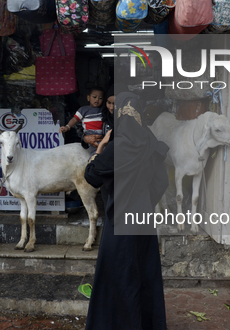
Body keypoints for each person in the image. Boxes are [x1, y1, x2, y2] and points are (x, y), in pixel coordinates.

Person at [84, 91, 169, 330]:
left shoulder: (116, 147)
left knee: (117, 275)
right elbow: (161, 182)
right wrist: (143, 202)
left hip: (119, 221)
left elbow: (91, 176)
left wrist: (100, 147)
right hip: (142, 219)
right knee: (144, 274)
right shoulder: (152, 144)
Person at [60, 87, 105, 154]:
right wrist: (67, 127)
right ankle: (92, 161)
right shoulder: (83, 110)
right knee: (97, 149)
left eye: (100, 98)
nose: (97, 100)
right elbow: (75, 119)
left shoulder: (103, 110)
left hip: (101, 134)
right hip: (90, 133)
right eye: (94, 97)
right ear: (88, 98)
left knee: (103, 149)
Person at [82, 84, 115, 149]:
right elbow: (80, 130)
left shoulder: (128, 120)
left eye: (115, 104)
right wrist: (85, 138)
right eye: (109, 103)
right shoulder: (102, 114)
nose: (111, 107)